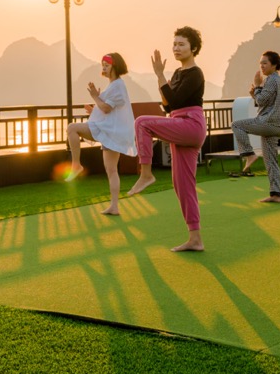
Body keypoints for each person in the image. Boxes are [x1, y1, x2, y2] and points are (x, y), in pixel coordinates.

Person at [127, 27, 208, 252]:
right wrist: (161, 77)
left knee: (141, 122)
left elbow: (178, 101)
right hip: (178, 123)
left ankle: (146, 174)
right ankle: (195, 239)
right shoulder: (178, 74)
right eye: (174, 44)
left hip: (190, 124)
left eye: (181, 44)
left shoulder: (195, 73)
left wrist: (160, 75)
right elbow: (168, 105)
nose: (176, 48)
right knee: (182, 185)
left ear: (193, 48)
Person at [65, 53, 136, 215]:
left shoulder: (117, 85)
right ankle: (114, 206)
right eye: (102, 64)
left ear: (114, 66)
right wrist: (93, 108)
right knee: (111, 170)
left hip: (109, 130)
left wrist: (95, 97)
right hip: (109, 130)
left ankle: (76, 165)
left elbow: (106, 108)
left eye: (106, 64)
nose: (103, 67)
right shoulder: (113, 85)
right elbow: (106, 109)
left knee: (72, 128)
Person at [231, 50, 280, 203]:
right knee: (271, 160)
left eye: (265, 63)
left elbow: (261, 101)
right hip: (277, 125)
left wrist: (257, 86)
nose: (261, 66)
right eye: (260, 63)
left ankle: (249, 154)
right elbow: (266, 100)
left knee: (237, 125)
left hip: (269, 123)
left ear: (274, 65)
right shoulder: (277, 80)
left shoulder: (271, 80)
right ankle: (276, 194)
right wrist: (254, 93)